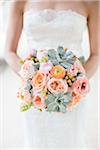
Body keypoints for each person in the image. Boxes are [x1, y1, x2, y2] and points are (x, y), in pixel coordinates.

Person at [4, 0, 99, 149]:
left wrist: (75, 83)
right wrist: (32, 78)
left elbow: (96, 54)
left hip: (72, 96)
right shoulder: (19, 1)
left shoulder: (91, 3)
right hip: (35, 94)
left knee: (71, 142)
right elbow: (9, 52)